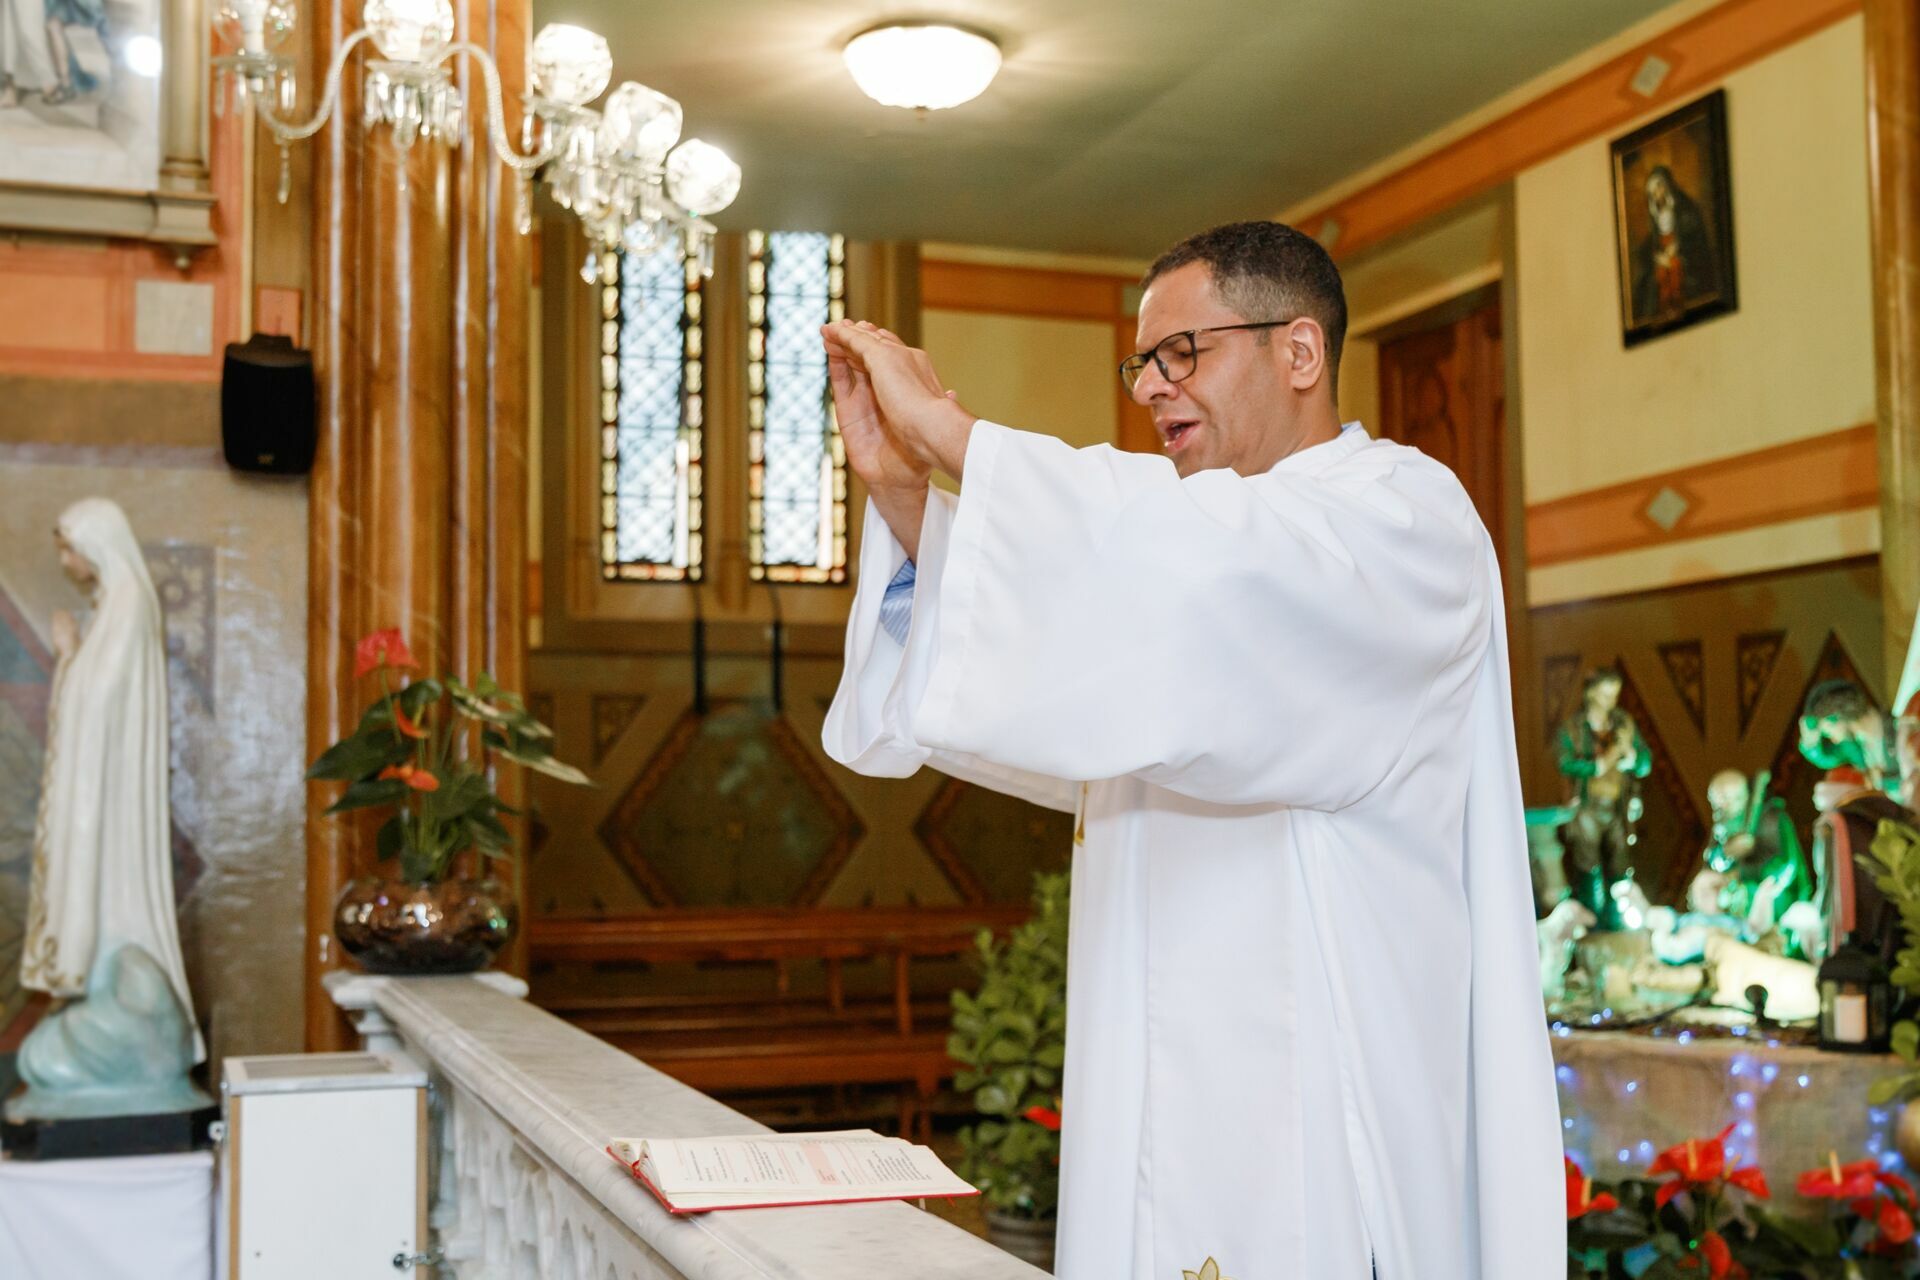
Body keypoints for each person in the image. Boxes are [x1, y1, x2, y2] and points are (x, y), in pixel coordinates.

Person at [820, 222, 1560, 1280]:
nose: (1154, 388)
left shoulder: (1404, 518)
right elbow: (1090, 679)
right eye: (1142, 364)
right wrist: (906, 495)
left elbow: (1219, 578)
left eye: (1185, 354)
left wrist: (954, 432)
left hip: (1318, 1134)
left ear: (1299, 353)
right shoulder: (1190, 544)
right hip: (1159, 1086)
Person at [20, 497, 201, 1064]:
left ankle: (102, 983)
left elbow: (97, 702)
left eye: (69, 550)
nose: (66, 562)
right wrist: (75, 657)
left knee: (102, 891)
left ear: (95, 546)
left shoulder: (126, 605)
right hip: (99, 790)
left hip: (108, 803)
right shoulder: (115, 606)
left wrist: (69, 657)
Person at [1556, 668, 1650, 928]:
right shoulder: (1574, 728)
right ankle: (1592, 921)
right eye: (1605, 693)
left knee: (1619, 862)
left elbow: (1644, 762)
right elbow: (1565, 762)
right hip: (1588, 805)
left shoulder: (1623, 724)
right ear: (1591, 693)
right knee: (1588, 864)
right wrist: (1598, 764)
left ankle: (1618, 920)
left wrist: (1631, 757)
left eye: (1615, 694)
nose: (1611, 700)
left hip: (1617, 804)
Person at [1630, 164, 1717, 323]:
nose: (1657, 194)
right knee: (1652, 280)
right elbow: (1655, 242)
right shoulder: (1655, 214)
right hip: (1664, 253)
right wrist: (1658, 256)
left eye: (1659, 188)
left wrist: (1677, 248)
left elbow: (1692, 233)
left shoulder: (1685, 208)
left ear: (1667, 186)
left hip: (1686, 252)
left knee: (1676, 267)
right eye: (1653, 192)